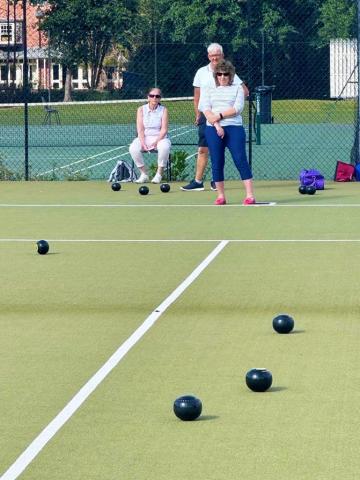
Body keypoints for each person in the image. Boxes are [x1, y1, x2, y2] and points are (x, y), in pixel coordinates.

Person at [181, 43, 249, 192]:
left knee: (220, 152)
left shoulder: (228, 72)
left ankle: (215, 181)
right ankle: (198, 181)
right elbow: (197, 96)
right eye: (212, 55)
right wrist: (199, 114)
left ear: (222, 55)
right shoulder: (201, 72)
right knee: (203, 149)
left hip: (227, 118)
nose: (214, 57)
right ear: (208, 56)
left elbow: (244, 91)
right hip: (208, 116)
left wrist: (227, 107)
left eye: (217, 55)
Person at [202, 59, 255, 205]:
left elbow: (237, 109)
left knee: (240, 159)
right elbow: (206, 109)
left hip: (234, 127)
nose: (222, 77)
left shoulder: (237, 88)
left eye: (226, 74)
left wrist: (219, 116)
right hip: (213, 128)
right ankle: (221, 196)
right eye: (219, 74)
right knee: (217, 161)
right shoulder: (208, 88)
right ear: (216, 75)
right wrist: (217, 126)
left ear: (231, 75)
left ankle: (250, 195)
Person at [129, 87, 171, 184]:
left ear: (160, 99)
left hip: (160, 137)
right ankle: (144, 174)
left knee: (164, 147)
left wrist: (156, 142)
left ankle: (159, 174)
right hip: (144, 137)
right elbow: (140, 129)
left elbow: (164, 129)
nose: (154, 98)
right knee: (133, 148)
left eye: (157, 96)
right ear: (148, 97)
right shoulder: (140, 110)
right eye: (152, 96)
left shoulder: (164, 110)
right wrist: (143, 143)